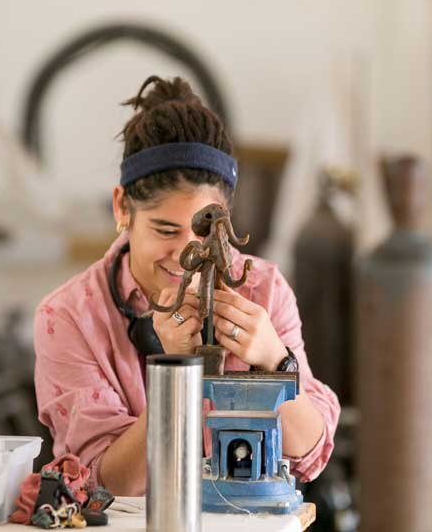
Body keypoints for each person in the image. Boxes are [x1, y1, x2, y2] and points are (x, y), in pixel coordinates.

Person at [34, 76, 340, 496]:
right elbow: (109, 483)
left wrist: (274, 362)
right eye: (164, 230)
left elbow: (309, 452)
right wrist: (174, 373)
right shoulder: (68, 316)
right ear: (122, 207)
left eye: (205, 231)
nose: (187, 255)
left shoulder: (263, 289)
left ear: (227, 218)